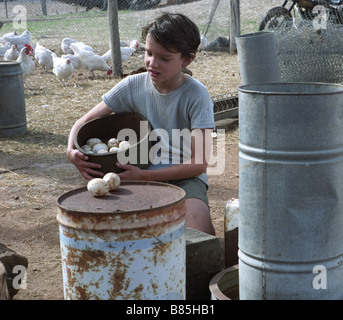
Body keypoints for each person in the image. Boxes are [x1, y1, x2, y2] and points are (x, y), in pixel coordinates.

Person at [67, 13, 216, 235]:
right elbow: (83, 122)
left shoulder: (196, 95)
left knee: (199, 234)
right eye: (148, 53)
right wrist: (71, 151)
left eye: (164, 58)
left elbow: (199, 164)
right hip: (135, 174)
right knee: (108, 231)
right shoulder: (132, 85)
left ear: (187, 60)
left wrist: (143, 176)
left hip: (184, 178)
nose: (152, 63)